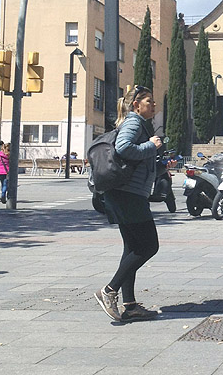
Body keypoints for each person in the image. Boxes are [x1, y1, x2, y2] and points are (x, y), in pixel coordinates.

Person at [94, 86, 162, 322]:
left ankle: (130, 306)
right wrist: (151, 146)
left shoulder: (135, 123)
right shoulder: (134, 122)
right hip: (129, 195)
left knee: (131, 248)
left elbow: (136, 160)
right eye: (149, 101)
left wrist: (159, 165)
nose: (153, 105)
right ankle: (109, 290)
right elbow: (123, 148)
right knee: (149, 246)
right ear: (136, 105)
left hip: (123, 193)